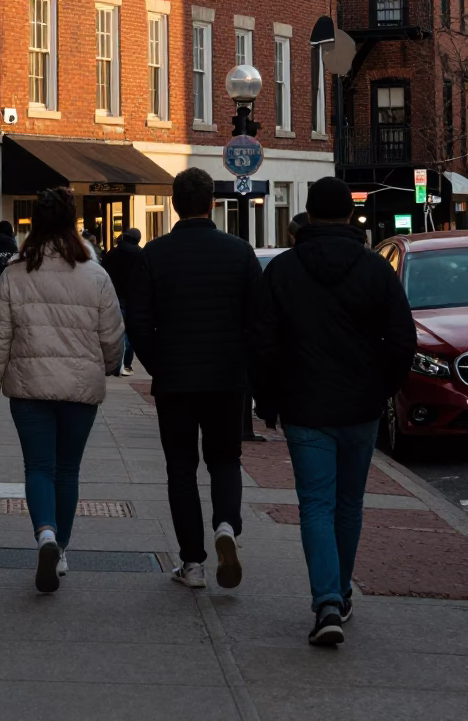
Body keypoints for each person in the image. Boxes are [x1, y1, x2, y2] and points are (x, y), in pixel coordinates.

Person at [250, 177, 416, 647]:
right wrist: (383, 387)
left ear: (308, 213)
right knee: (349, 504)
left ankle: (327, 599)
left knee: (316, 505)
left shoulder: (282, 271)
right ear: (349, 216)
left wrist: (267, 399)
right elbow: (403, 339)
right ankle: (340, 592)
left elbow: (261, 343)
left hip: (305, 405)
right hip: (361, 405)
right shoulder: (375, 270)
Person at [0, 187, 124, 593]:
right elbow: (113, 337)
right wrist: (108, 366)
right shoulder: (95, 274)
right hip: (79, 390)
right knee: (68, 470)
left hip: (29, 391)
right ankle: (60, 548)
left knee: (38, 468)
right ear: (73, 222)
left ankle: (43, 532)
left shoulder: (14, 274)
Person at [127, 168, 263, 592]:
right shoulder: (240, 253)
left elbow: (140, 321)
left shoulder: (155, 253)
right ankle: (226, 524)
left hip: (176, 380)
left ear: (173, 204)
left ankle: (193, 562)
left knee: (181, 468)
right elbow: (257, 320)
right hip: (225, 378)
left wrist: (158, 364)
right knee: (225, 459)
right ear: (212, 203)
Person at [102, 227, 142, 375]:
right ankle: (127, 364)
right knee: (130, 332)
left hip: (115, 295)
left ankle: (118, 362)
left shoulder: (113, 253)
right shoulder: (141, 254)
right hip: (133, 298)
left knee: (117, 330)